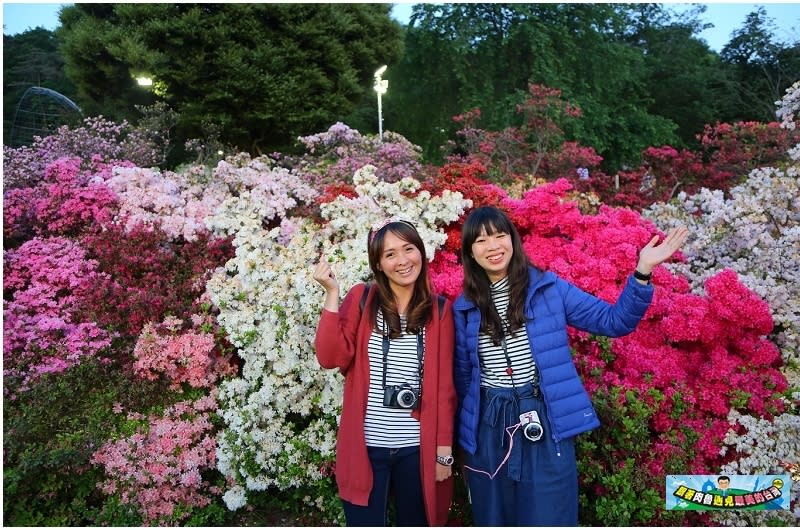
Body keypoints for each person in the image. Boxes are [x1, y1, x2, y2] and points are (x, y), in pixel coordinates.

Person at [452, 205, 688, 526]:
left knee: (551, 515)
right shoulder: (463, 308)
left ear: (513, 239)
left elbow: (614, 321)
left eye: (499, 235)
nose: (492, 247)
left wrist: (643, 270)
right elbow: (462, 379)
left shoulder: (549, 289)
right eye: (480, 241)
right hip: (489, 424)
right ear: (470, 251)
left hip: (544, 417)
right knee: (495, 516)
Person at [313, 218, 456, 527]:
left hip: (417, 449)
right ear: (378, 263)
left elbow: (445, 388)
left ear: (421, 252)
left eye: (409, 249)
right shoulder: (362, 299)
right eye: (390, 254)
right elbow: (329, 356)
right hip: (366, 447)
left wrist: (443, 451)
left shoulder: (440, 310)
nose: (402, 260)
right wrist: (332, 294)